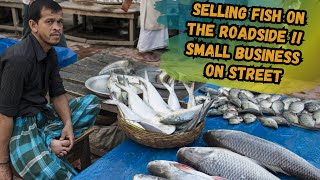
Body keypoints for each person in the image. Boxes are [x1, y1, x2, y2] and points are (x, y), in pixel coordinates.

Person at [0, 0, 100, 179]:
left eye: (59, 22)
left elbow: (57, 93)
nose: (57, 27)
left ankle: (50, 139)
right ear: (33, 25)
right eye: (49, 21)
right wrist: (3, 164)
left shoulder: (50, 52)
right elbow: (5, 115)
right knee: (51, 173)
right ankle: (47, 143)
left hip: (42, 115)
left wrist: (68, 124)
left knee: (91, 103)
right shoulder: (18, 59)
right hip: (19, 125)